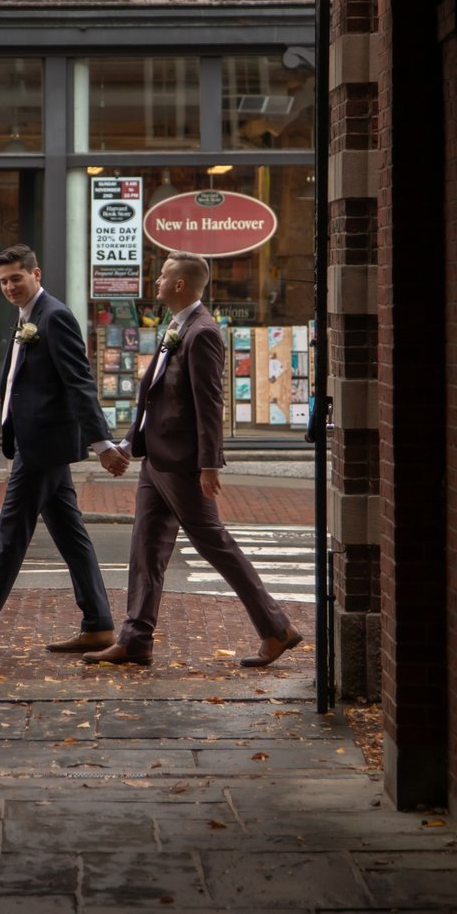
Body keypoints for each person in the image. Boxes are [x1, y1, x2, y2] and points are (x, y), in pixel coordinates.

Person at [83, 251, 303, 669]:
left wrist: (208, 465)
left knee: (214, 543)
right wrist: (131, 443)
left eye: (163, 275)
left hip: (182, 463)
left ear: (180, 284)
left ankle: (276, 628)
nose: (157, 281)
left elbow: (209, 403)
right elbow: (154, 395)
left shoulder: (203, 333)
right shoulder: (176, 325)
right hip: (156, 460)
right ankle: (135, 640)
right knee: (146, 548)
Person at [0, 243, 127, 655]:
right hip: (37, 442)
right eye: (4, 281)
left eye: (17, 277)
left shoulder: (55, 316)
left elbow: (80, 382)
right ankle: (99, 624)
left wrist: (102, 443)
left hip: (44, 446)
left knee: (12, 532)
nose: (10, 286)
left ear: (37, 274)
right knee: (71, 535)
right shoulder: (28, 317)